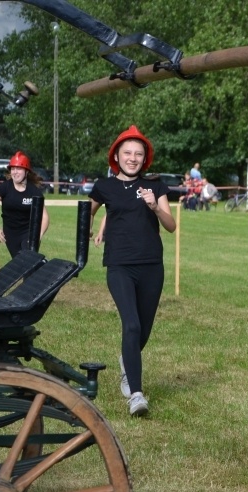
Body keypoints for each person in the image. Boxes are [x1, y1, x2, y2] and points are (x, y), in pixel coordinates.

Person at [89, 125, 177, 417]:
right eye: (127, 152)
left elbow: (170, 224)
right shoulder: (104, 186)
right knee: (132, 325)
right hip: (119, 265)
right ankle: (136, 394)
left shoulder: (156, 185)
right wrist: (88, 231)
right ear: (116, 155)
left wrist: (155, 207)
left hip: (152, 265)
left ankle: (127, 361)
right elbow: (86, 212)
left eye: (138, 154)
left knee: (144, 330)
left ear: (145, 158)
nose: (133, 158)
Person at [0, 151, 50, 258]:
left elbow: (45, 217)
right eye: (13, 169)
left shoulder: (34, 192)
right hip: (11, 234)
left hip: (28, 233)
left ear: (26, 171)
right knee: (19, 265)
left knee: (28, 260)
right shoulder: (4, 188)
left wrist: (38, 235)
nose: (15, 172)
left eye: (19, 169)